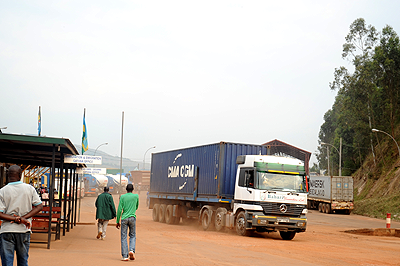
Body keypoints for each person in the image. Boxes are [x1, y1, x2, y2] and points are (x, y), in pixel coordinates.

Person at [0, 165, 43, 266]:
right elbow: (39, 206)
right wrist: (23, 219)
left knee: (7, 262)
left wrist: (16, 219)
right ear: (20, 175)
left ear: (8, 175)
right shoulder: (29, 189)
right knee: (23, 261)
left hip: (7, 230)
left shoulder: (2, 191)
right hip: (23, 230)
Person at [116, 184, 139, 261]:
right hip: (132, 218)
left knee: (124, 237)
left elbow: (119, 210)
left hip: (124, 219)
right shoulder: (136, 196)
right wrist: (132, 211)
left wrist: (117, 221)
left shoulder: (122, 197)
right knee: (132, 235)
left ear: (126, 189)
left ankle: (125, 256)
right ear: (133, 189)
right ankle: (131, 250)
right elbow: (136, 206)